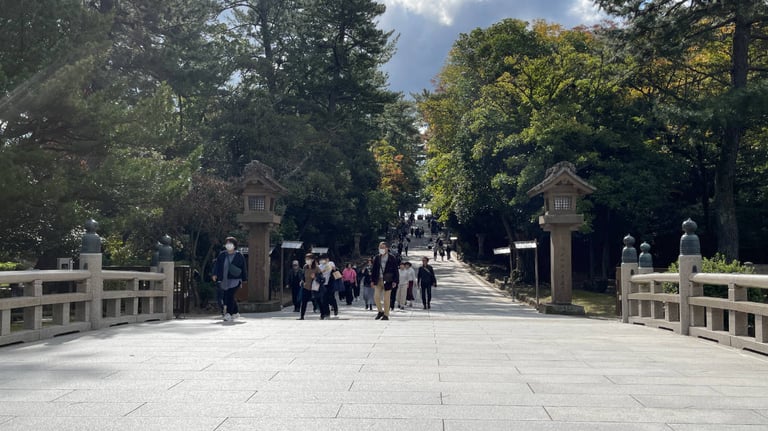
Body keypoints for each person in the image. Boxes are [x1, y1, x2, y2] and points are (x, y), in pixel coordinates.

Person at [212, 237, 248, 322]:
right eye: (227, 243)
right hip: (224, 279)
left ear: (234, 245)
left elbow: (243, 268)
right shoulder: (222, 255)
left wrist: (244, 279)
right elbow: (217, 265)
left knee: (229, 295)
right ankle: (235, 312)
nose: (228, 245)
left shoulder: (239, 255)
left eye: (230, 243)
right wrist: (214, 274)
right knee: (228, 296)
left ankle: (228, 314)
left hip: (235, 279)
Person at [371, 242, 399, 320]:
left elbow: (395, 270)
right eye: (380, 247)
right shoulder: (377, 257)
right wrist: (372, 280)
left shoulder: (392, 258)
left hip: (388, 280)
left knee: (386, 299)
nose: (381, 249)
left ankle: (386, 315)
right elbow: (374, 269)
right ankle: (380, 311)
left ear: (387, 248)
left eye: (383, 247)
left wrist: (395, 281)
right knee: (376, 297)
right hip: (378, 279)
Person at [299, 253, 320, 320]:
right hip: (306, 286)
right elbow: (302, 275)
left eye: (309, 259)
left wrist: (315, 277)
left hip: (314, 287)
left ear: (313, 260)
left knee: (317, 300)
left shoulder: (317, 268)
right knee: (304, 301)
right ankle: (302, 316)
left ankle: (321, 313)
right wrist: (302, 280)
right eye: (306, 259)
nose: (307, 260)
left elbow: (321, 277)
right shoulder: (305, 267)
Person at [318, 254, 338, 319]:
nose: (323, 260)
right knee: (324, 299)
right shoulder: (320, 266)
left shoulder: (331, 263)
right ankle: (327, 313)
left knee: (331, 297)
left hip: (330, 283)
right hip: (323, 284)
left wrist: (328, 265)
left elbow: (334, 268)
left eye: (325, 259)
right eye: (322, 259)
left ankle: (335, 308)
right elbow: (318, 272)